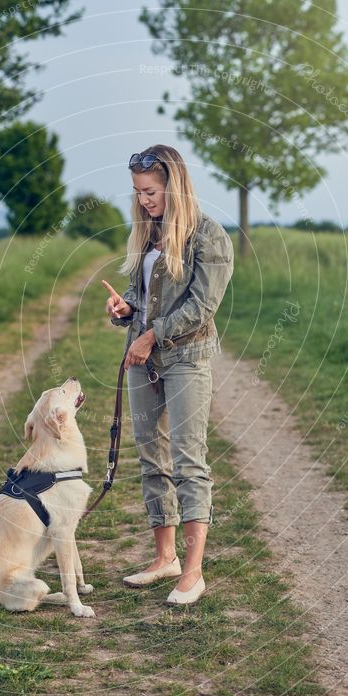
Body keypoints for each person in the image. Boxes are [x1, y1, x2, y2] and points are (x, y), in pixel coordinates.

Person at [102, 144, 234, 605]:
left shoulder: (209, 237)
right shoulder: (149, 234)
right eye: (138, 193)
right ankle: (165, 558)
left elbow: (201, 308)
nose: (144, 201)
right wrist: (124, 309)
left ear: (173, 186)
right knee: (151, 456)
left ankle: (193, 573)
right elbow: (144, 295)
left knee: (188, 459)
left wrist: (151, 335)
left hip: (186, 358)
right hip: (144, 358)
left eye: (151, 191)